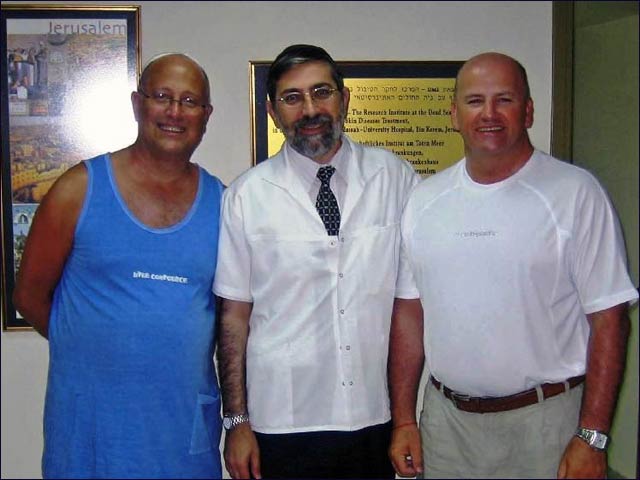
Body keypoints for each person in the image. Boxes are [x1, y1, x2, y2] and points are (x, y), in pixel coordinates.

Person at [388, 51, 639, 479]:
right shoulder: (424, 201)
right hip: (447, 427)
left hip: (546, 424)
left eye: (504, 99)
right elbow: (409, 315)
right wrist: (404, 420)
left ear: (528, 111)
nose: (488, 114)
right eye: (474, 101)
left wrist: (592, 436)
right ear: (453, 114)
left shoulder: (575, 194)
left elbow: (610, 320)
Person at [213, 44, 420, 479]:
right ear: (273, 111)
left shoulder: (396, 180)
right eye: (292, 98)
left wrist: (405, 420)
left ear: (344, 99)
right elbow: (233, 316)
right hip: (281, 422)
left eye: (321, 92)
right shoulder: (246, 197)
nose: (310, 109)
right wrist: (236, 422)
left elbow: (407, 308)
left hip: (371, 417)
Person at [13, 53, 224, 479]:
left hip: (182, 440)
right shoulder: (78, 190)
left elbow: (230, 316)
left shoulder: (225, 203)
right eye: (162, 96)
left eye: (189, 101)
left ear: (206, 116)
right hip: (91, 442)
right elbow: (30, 296)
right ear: (136, 104)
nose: (174, 111)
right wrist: (96, 349)